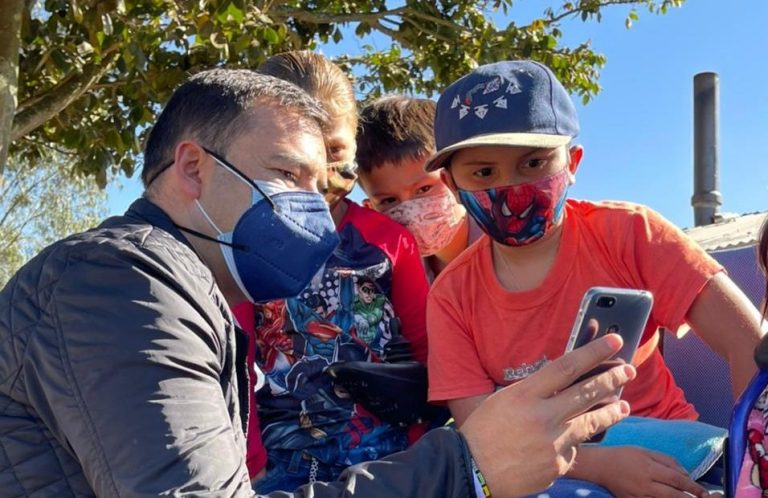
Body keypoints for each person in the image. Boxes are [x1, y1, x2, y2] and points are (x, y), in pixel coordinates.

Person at [0, 67, 636, 498]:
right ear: (192, 166)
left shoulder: (183, 289)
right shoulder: (124, 283)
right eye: (287, 174)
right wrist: (467, 466)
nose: (314, 205)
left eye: (322, 179)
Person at [424, 59, 765, 497]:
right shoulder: (451, 295)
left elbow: (749, 345)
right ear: (451, 184)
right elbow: (481, 437)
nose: (512, 187)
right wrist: (599, 467)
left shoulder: (632, 232)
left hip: (670, 456)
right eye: (484, 172)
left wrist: (751, 467)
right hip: (544, 469)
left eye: (534, 162)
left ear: (573, 162)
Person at [231, 52, 433, 493]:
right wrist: (251, 464)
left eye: (334, 150)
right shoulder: (243, 246)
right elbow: (236, 361)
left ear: (356, 140)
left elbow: (425, 350)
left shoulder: (389, 241)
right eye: (295, 153)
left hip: (385, 458)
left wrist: (419, 449)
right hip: (278, 464)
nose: (319, 169)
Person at [356, 95, 483, 279]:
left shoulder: (505, 245)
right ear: (371, 209)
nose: (411, 214)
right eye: (389, 200)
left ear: (453, 178)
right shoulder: (396, 279)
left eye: (424, 189)